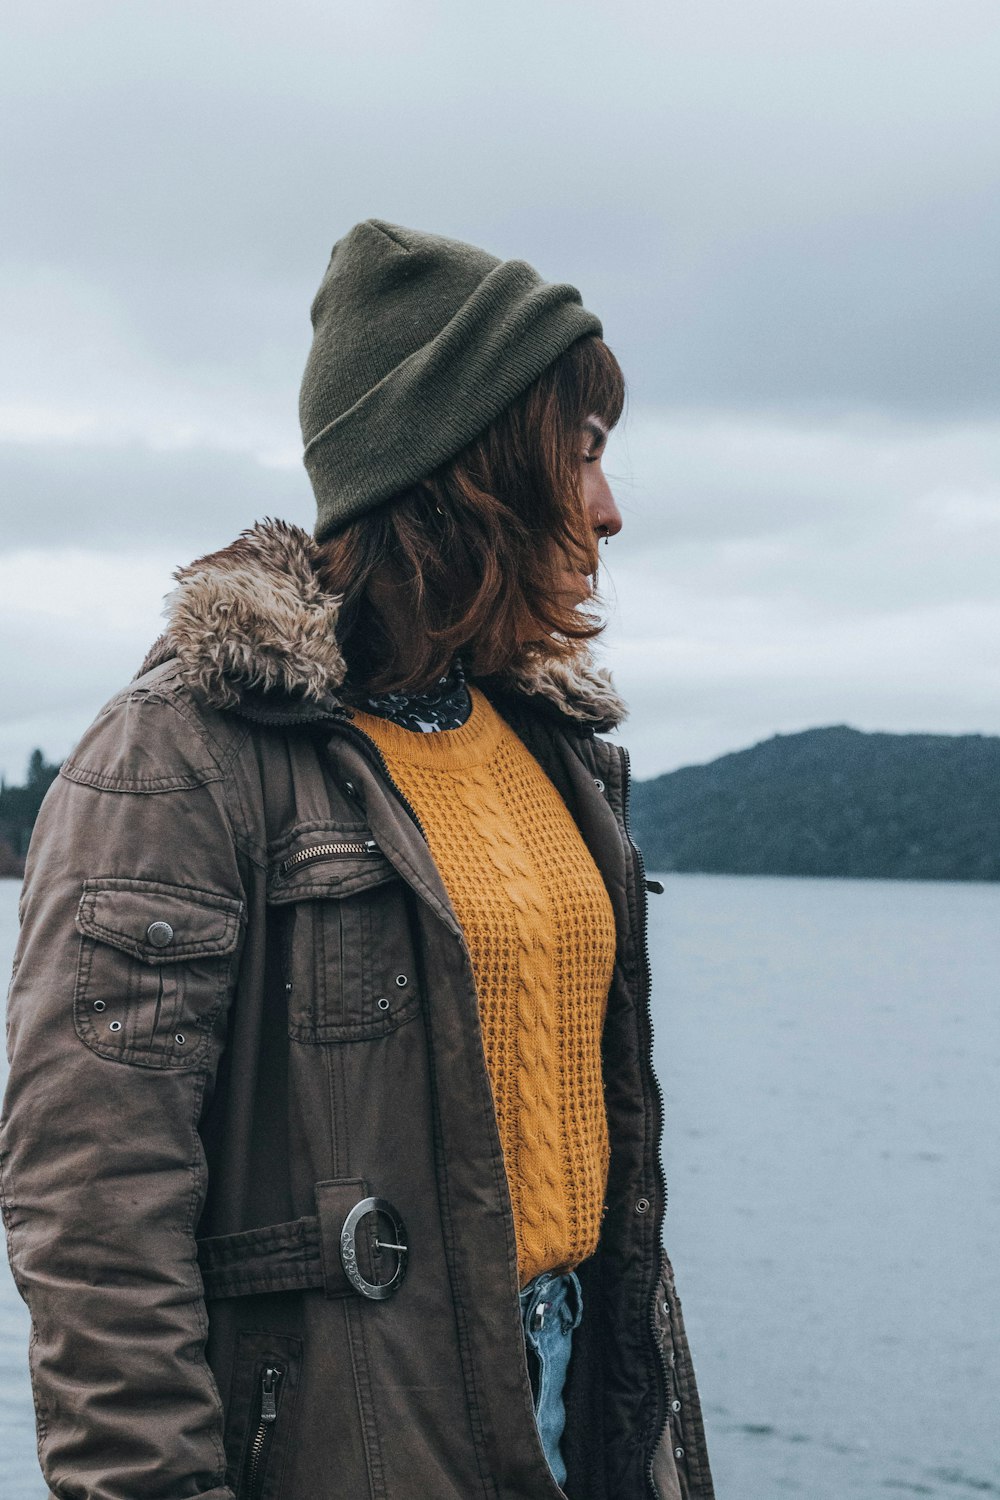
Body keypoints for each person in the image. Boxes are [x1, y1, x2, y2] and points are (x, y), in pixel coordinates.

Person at [0, 220, 714, 1500]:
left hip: (586, 1401)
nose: (610, 508)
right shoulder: (180, 757)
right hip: (354, 1435)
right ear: (468, 457)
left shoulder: (555, 747)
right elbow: (94, 1208)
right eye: (585, 451)